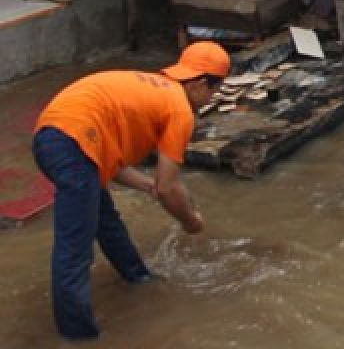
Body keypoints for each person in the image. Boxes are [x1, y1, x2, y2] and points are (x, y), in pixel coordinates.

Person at [31, 41, 230, 339]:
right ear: (201, 84)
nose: (210, 99)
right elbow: (169, 187)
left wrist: (147, 185)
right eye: (214, 91)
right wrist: (190, 221)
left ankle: (138, 277)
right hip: (73, 143)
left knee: (105, 220)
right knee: (75, 251)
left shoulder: (152, 87)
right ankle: (80, 337)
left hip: (56, 137)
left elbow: (115, 163)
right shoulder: (180, 110)